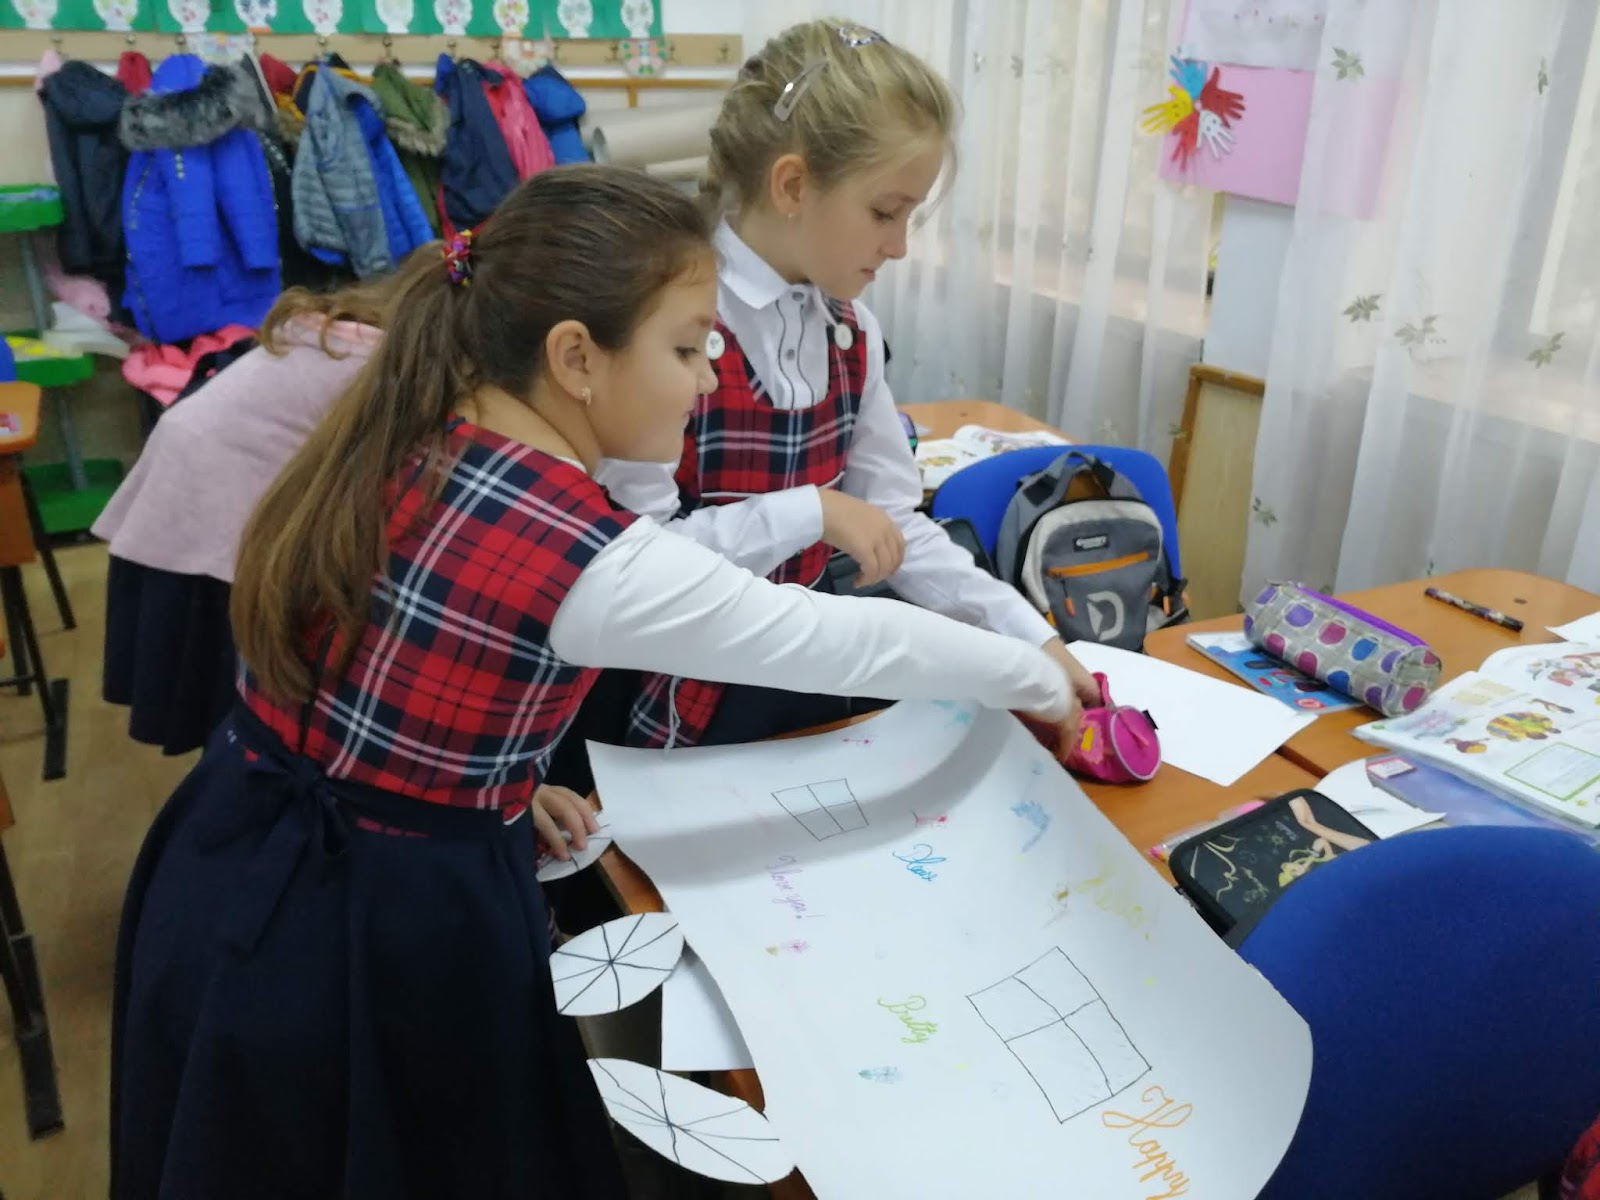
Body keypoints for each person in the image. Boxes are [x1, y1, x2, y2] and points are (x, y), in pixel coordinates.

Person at [111, 164, 1085, 1199]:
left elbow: (375, 674)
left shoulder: (421, 427)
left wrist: (495, 783)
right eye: (687, 348)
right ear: (576, 357)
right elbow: (845, 641)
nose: (706, 381)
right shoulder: (584, 555)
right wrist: (1038, 678)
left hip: (232, 849)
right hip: (370, 930)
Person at [595, 20, 1098, 761]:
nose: (899, 246)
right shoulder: (670, 326)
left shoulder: (851, 332)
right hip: (683, 704)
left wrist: (1031, 638)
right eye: (885, 213)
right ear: (793, 186)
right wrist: (812, 511)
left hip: (812, 671)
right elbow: (638, 561)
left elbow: (894, 522)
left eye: (909, 217)